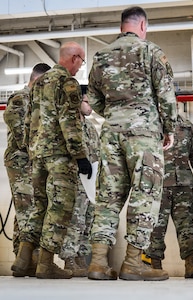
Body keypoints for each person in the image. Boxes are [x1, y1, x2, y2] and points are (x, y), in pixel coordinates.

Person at [87, 6, 177, 281]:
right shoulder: (151, 51)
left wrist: (115, 117)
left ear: (122, 25)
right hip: (143, 136)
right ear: (142, 26)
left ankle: (98, 263)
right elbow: (166, 96)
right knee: (145, 194)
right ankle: (133, 263)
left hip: (111, 134)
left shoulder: (101, 55)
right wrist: (169, 129)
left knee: (108, 198)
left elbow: (92, 100)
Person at [11, 41, 92, 279]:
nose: (80, 67)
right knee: (59, 208)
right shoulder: (68, 83)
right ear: (74, 58)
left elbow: (28, 121)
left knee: (39, 207)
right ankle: (45, 264)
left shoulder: (39, 83)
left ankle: (23, 258)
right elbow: (70, 122)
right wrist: (80, 155)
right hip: (59, 158)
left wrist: (31, 148)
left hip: (37, 156)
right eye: (81, 61)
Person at [145, 114, 193, 278]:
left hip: (183, 184)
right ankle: (156, 266)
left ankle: (190, 265)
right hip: (159, 184)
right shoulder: (151, 124)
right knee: (157, 226)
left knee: (186, 225)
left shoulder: (187, 126)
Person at [3, 63, 51, 277]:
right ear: (39, 79)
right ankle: (29, 259)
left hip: (32, 162)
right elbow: (21, 133)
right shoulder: (21, 98)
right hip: (21, 162)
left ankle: (22, 258)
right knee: (27, 209)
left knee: (26, 209)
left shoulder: (37, 101)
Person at [59, 86, 100, 277]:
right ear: (78, 102)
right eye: (87, 101)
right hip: (74, 181)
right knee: (74, 221)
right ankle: (69, 259)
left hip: (90, 184)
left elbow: (97, 153)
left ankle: (82, 259)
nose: (91, 105)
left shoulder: (91, 127)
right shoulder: (70, 125)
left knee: (87, 221)